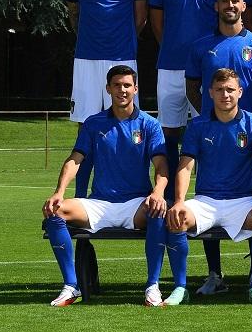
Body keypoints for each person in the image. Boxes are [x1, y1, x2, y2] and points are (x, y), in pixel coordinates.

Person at [39, 66, 168, 307]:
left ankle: (153, 286)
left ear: (135, 89)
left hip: (136, 203)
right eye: (117, 85)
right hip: (99, 203)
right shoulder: (93, 123)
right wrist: (59, 192)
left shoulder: (149, 124)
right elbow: (75, 159)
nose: (122, 90)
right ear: (108, 89)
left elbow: (161, 165)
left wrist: (158, 192)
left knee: (158, 211)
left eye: (127, 85)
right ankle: (71, 286)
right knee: (55, 211)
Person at [183, 0, 252, 295]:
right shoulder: (200, 46)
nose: (230, 6)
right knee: (210, 193)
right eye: (224, 1)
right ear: (216, 6)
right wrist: (212, 116)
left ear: (244, 6)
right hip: (212, 131)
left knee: (249, 200)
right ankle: (214, 275)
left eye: (235, 1)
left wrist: (243, 117)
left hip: (246, 133)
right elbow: (193, 88)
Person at [166, 69, 252, 305]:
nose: (225, 94)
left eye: (230, 89)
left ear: (240, 92)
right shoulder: (197, 125)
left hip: (243, 199)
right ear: (210, 93)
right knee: (176, 218)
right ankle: (180, 287)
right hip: (206, 200)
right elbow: (185, 166)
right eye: (219, 90)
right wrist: (178, 201)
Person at [148, 0, 227, 170]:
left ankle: (206, 192)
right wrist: (172, 46)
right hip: (170, 64)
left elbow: (224, 20)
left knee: (207, 128)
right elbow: (156, 22)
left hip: (206, 68)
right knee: (169, 130)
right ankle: (168, 193)